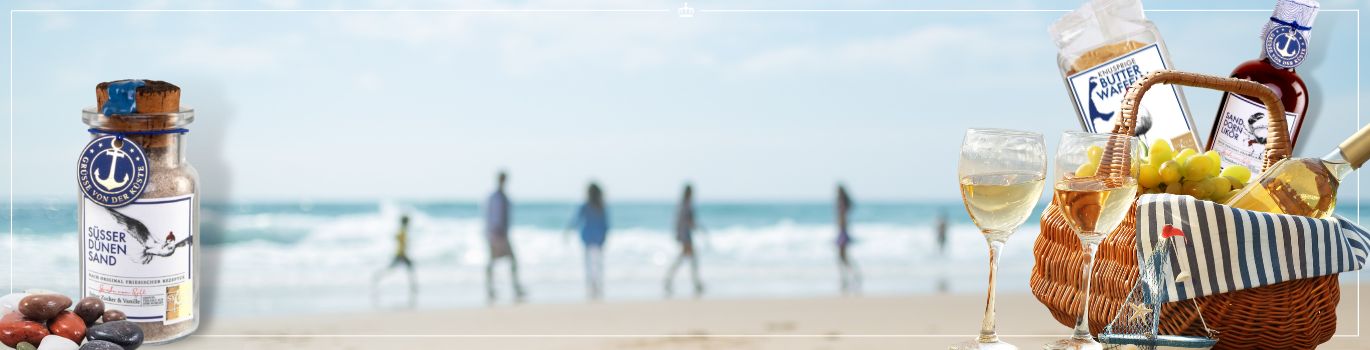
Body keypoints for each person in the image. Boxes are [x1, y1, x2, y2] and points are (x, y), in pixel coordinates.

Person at [484, 171, 526, 304]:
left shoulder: (501, 197)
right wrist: (496, 233)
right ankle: (491, 288)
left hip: (499, 234)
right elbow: (494, 217)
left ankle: (510, 287)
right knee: (497, 261)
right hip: (497, 234)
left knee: (508, 261)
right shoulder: (496, 198)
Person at [567, 182, 610, 300]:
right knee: (598, 264)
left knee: (588, 264)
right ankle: (598, 286)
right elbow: (606, 224)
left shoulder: (586, 206)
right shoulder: (601, 206)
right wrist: (605, 236)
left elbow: (576, 220)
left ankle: (591, 287)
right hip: (598, 237)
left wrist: (568, 231)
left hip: (587, 237)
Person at [664, 183, 705, 298]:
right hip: (686, 237)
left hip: (684, 236)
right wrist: (699, 228)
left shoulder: (681, 205)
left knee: (685, 260)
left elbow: (678, 222)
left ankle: (670, 280)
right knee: (689, 260)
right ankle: (695, 283)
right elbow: (688, 222)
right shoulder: (686, 206)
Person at [372, 215, 417, 308]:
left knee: (409, 269)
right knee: (394, 269)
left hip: (401, 255)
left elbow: (397, 239)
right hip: (400, 255)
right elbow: (400, 241)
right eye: (408, 222)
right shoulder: (402, 231)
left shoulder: (402, 231)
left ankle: (413, 286)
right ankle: (377, 277)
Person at [835, 184, 861, 295]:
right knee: (843, 257)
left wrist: (842, 233)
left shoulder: (841, 204)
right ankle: (849, 276)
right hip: (842, 232)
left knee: (842, 257)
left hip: (842, 232)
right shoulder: (843, 205)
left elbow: (842, 220)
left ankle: (848, 277)